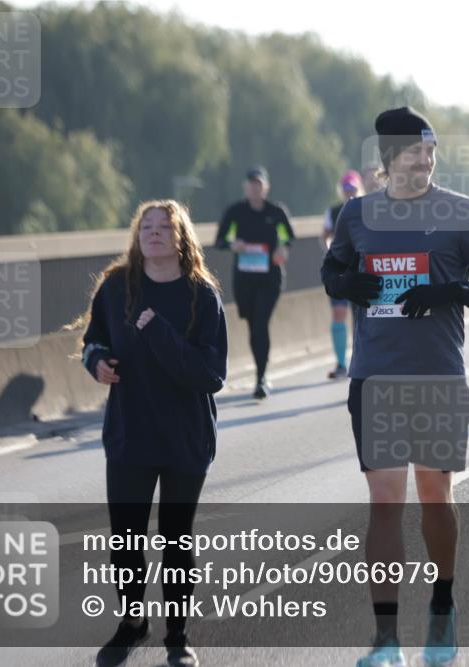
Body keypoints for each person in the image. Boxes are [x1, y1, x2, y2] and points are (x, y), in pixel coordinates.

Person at [321, 107, 469, 667]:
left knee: (435, 495)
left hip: (436, 374)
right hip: (375, 377)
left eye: (432, 151)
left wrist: (449, 291)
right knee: (384, 503)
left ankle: (442, 605)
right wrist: (348, 282)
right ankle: (386, 640)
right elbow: (331, 274)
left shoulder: (459, 213)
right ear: (387, 159)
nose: (426, 160)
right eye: (415, 151)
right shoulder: (357, 216)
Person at [75, 199, 228, 667]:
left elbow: (209, 374)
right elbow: (93, 339)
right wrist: (96, 362)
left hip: (184, 437)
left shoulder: (202, 295)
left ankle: (177, 636)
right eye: (147, 227)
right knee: (125, 537)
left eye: (165, 227)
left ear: (181, 238)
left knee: (177, 538)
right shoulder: (117, 286)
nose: (154, 233)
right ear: (137, 236)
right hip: (130, 434)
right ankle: (132, 622)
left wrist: (156, 330)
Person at [215, 166, 295, 399]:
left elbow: (288, 235)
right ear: (245, 187)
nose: (255, 187)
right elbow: (220, 240)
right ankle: (260, 372)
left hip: (270, 277)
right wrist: (233, 245)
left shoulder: (276, 212)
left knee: (261, 323)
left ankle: (260, 377)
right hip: (245, 279)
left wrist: (282, 247)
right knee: (253, 326)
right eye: (251, 183)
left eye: (259, 183)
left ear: (265, 187)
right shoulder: (235, 212)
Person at [322, 170, 365, 379]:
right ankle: (340, 363)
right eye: (346, 190)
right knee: (338, 313)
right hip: (340, 271)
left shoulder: (367, 209)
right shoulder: (333, 212)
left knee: (361, 317)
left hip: (361, 271)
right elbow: (325, 236)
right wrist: (334, 251)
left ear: (360, 189)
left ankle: (360, 361)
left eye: (353, 189)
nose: (350, 193)